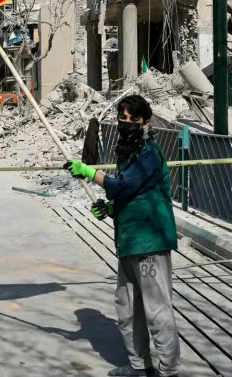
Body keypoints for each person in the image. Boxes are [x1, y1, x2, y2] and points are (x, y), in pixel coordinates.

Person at [64, 95, 181, 377]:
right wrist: (111, 208)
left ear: (146, 122)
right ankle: (140, 366)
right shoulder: (127, 153)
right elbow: (130, 194)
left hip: (149, 241)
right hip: (128, 240)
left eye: (133, 120)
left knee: (156, 310)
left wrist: (89, 173)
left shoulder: (150, 153)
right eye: (122, 119)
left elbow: (126, 185)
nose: (127, 124)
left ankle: (169, 371)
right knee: (127, 309)